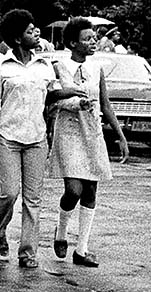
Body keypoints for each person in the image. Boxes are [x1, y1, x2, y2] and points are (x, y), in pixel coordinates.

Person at [0, 9, 85, 269]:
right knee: (10, 192)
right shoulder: (2, 67)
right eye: (29, 31)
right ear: (16, 39)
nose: (36, 33)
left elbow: (51, 96)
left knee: (33, 199)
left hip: (36, 138)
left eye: (35, 29)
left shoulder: (44, 65)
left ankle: (27, 252)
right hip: (7, 137)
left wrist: (73, 97)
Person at [48, 17, 129, 267]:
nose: (93, 42)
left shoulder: (98, 68)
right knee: (74, 189)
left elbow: (105, 104)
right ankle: (61, 231)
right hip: (69, 130)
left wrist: (120, 134)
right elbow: (53, 98)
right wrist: (74, 101)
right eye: (87, 39)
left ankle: (81, 249)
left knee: (91, 190)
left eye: (94, 38)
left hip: (92, 131)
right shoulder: (59, 66)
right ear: (73, 43)